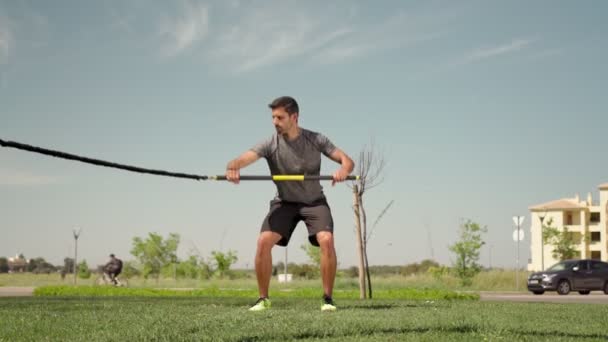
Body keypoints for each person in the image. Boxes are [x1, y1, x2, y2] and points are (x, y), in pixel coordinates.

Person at [225, 96, 354, 312]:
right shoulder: (270, 144)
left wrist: (343, 170)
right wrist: (233, 167)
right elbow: (242, 159)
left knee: (327, 240)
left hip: (314, 202)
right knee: (263, 242)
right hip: (284, 202)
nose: (275, 122)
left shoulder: (316, 139)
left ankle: (327, 298)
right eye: (273, 117)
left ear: (294, 117)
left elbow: (347, 160)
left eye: (280, 117)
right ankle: (263, 299)